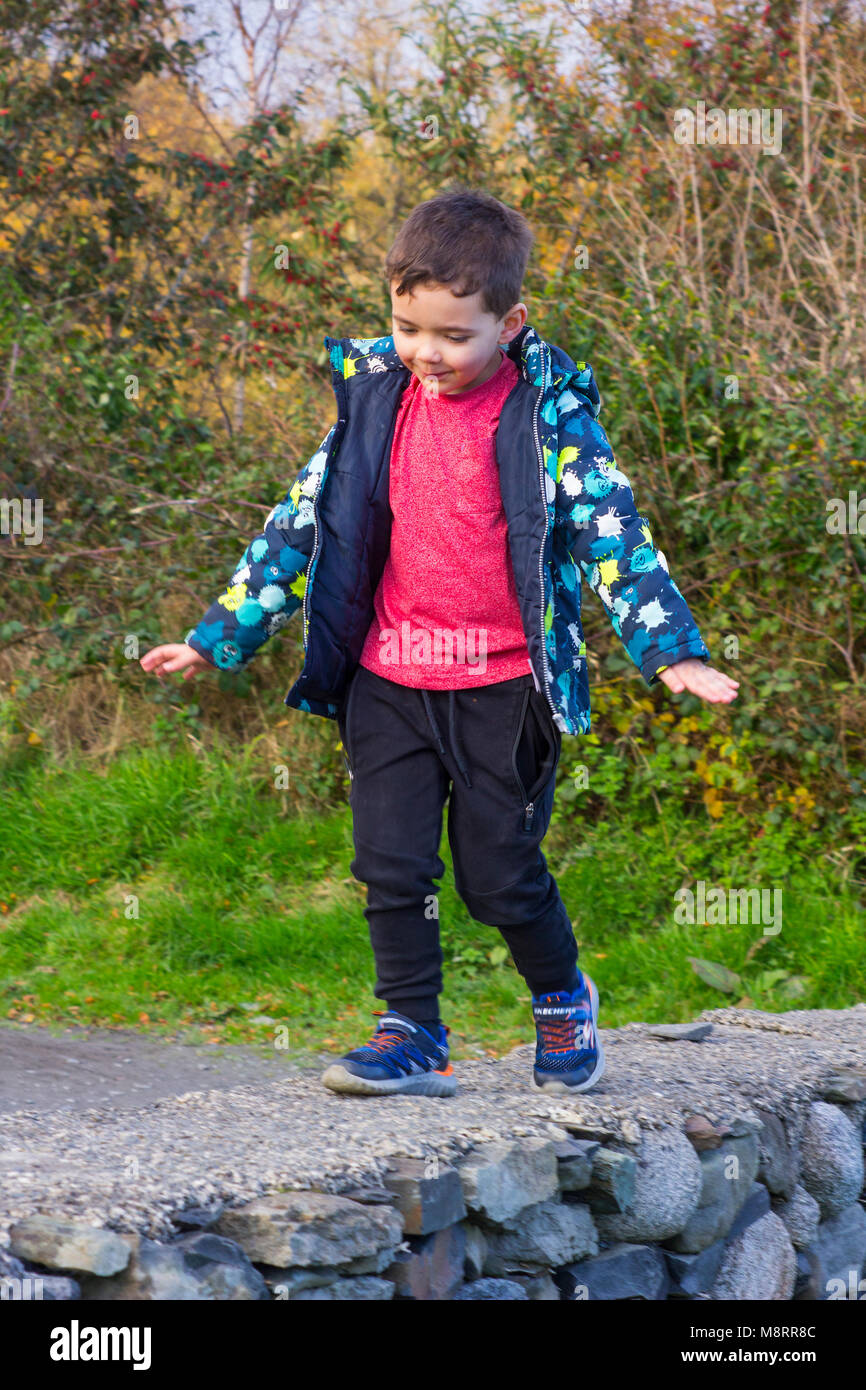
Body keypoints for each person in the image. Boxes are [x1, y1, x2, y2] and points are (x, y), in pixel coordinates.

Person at [140, 185, 738, 1100]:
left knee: (497, 877)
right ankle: (412, 1030)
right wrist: (216, 637)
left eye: (455, 335)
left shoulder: (547, 421)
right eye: (409, 327)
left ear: (510, 321)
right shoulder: (375, 403)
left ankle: (561, 999)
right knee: (389, 862)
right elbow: (301, 525)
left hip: (504, 686)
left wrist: (672, 652)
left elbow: (613, 533)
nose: (428, 352)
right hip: (390, 677)